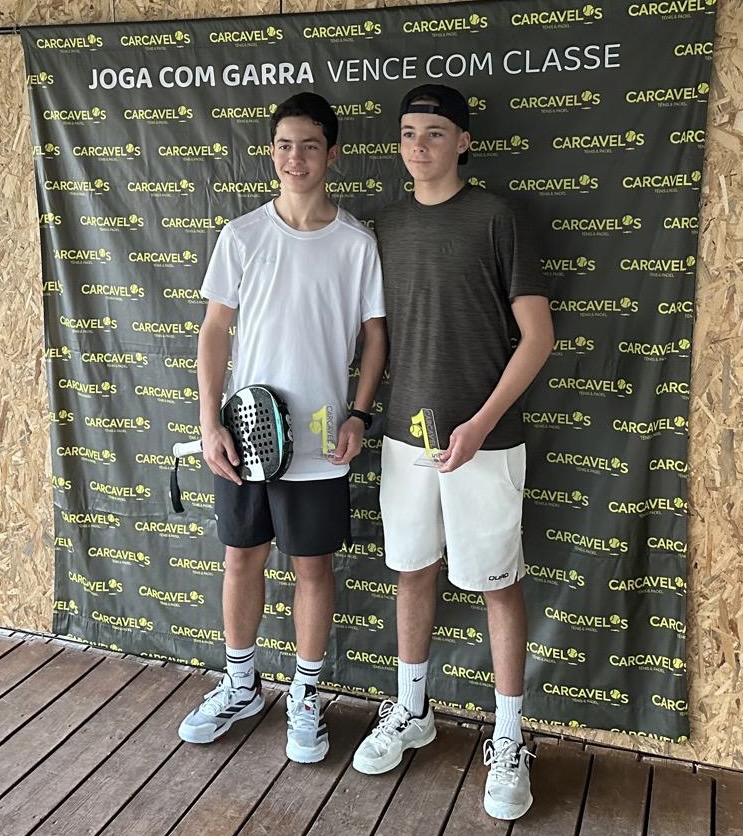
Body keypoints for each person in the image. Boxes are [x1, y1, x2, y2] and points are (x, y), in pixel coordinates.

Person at [352, 84, 553, 820]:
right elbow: (372, 337)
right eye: (407, 132)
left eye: (434, 133)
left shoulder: (497, 218)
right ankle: (412, 712)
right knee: (411, 572)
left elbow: (538, 338)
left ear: (463, 142)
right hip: (406, 443)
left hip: (487, 443)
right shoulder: (384, 226)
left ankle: (506, 738)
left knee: (497, 584)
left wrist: (478, 424)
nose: (418, 145)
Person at [178, 91, 387, 764]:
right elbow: (214, 332)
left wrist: (357, 413)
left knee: (310, 568)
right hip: (246, 434)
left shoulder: (356, 242)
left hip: (320, 443)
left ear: (331, 153)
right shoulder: (241, 235)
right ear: (271, 152)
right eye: (283, 144)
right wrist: (210, 422)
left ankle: (304, 696)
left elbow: (374, 338)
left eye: (307, 145)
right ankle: (240, 684)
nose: (294, 157)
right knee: (241, 557)